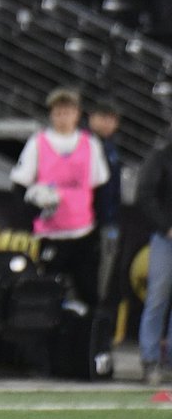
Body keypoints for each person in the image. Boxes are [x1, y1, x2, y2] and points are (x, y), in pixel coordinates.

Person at [10, 87, 110, 306]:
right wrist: (28, 219)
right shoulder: (38, 143)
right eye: (58, 112)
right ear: (52, 114)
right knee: (45, 293)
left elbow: (100, 186)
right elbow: (20, 183)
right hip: (50, 235)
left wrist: (101, 225)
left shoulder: (90, 144)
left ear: (77, 114)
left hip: (83, 233)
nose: (63, 117)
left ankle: (87, 337)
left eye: (68, 112)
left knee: (89, 293)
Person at [134, 139, 172, 386]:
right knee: (157, 297)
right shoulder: (161, 156)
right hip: (165, 238)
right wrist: (166, 227)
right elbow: (145, 195)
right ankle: (150, 360)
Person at [87, 101, 123, 309]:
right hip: (88, 222)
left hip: (108, 222)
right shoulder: (84, 144)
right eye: (104, 117)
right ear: (92, 118)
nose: (108, 123)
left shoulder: (111, 148)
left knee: (102, 282)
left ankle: (92, 327)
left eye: (113, 119)